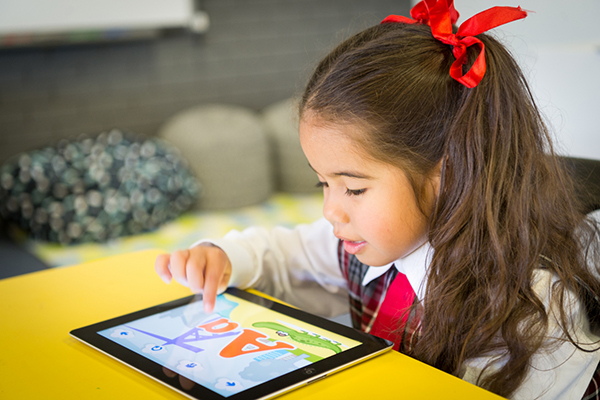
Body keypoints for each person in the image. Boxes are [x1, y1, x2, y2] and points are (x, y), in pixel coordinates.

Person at [155, 1, 600, 398]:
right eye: (322, 184)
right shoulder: (365, 245)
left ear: (448, 175)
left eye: (353, 188)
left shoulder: (530, 308)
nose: (331, 210)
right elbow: (284, 253)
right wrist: (224, 256)